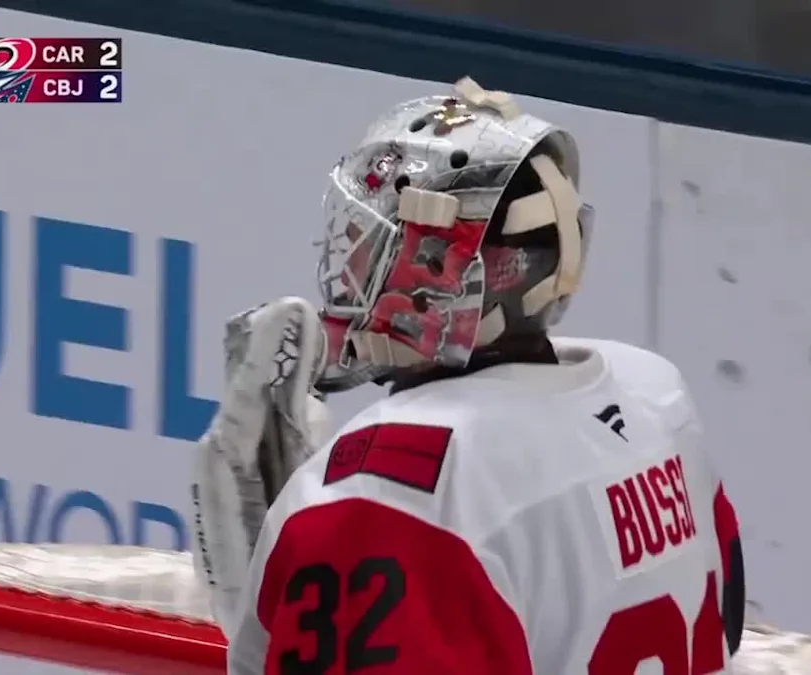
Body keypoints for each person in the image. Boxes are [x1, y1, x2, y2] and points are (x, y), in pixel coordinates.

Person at [191, 77, 745, 674]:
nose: (348, 267)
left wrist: (276, 583)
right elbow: (727, 622)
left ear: (439, 270)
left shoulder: (390, 495)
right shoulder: (654, 394)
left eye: (369, 241)